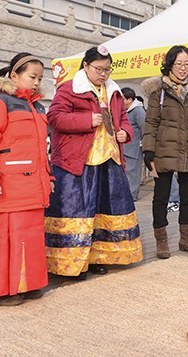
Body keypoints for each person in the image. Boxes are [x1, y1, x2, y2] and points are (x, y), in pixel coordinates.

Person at [46, 45, 143, 279]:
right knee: (76, 212)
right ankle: (70, 262)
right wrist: (86, 120)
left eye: (107, 70)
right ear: (86, 66)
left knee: (104, 211)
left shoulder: (114, 91)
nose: (103, 74)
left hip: (109, 159)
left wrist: (125, 133)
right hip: (77, 162)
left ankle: (99, 257)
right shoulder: (69, 88)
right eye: (99, 69)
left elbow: (123, 120)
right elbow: (55, 117)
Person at [0, 53, 52, 306]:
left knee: (30, 235)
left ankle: (27, 284)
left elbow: (43, 147)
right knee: (1, 237)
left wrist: (49, 176)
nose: (36, 82)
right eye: (31, 77)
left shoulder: (37, 106)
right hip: (5, 182)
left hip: (32, 183)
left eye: (40, 78)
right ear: (14, 75)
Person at [141, 45, 188, 259]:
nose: (183, 68)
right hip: (165, 150)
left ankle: (186, 238)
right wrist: (148, 150)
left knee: (187, 197)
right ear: (170, 65)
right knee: (161, 197)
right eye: (178, 64)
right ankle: (161, 241)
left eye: (186, 64)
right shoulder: (159, 90)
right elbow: (152, 122)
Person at [121, 87, 145, 201]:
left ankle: (132, 196)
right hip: (125, 147)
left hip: (134, 148)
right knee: (126, 173)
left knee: (133, 173)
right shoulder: (125, 111)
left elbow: (144, 129)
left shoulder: (138, 111)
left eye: (122, 99)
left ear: (129, 99)